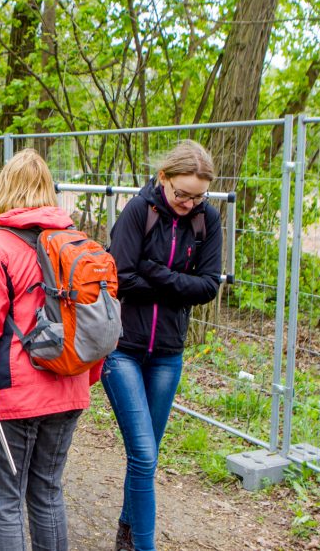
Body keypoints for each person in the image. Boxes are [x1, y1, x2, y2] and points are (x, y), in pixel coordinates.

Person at [0, 148, 101, 550]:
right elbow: (96, 321)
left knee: (5, 501)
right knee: (48, 492)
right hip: (69, 387)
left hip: (11, 397)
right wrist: (85, 378)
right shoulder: (78, 242)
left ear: (5, 189)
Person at [103, 140, 222, 551]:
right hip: (124, 350)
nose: (189, 203)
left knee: (146, 456)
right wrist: (175, 284)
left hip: (169, 354)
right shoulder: (139, 211)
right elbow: (119, 276)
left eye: (198, 196)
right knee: (143, 453)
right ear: (163, 179)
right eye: (182, 194)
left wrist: (154, 273)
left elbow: (208, 286)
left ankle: (126, 528)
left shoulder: (208, 220)